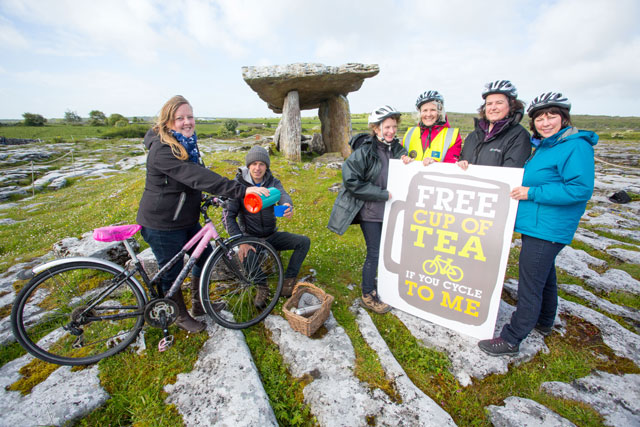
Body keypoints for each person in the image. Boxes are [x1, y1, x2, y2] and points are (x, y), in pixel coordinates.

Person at [478, 92, 598, 356]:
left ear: (563, 118)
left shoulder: (575, 146)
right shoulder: (548, 146)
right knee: (545, 277)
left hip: (549, 227)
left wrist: (531, 193)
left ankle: (511, 339)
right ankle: (544, 321)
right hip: (540, 225)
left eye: (551, 116)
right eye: (540, 118)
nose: (545, 122)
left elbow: (579, 189)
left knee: (530, 283)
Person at [136, 95, 268, 333]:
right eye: (180, 118)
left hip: (185, 219)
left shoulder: (185, 144)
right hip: (162, 223)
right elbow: (195, 176)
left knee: (206, 256)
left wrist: (212, 196)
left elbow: (191, 179)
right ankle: (179, 315)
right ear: (168, 122)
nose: (187, 122)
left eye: (190, 116)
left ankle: (199, 305)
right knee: (172, 272)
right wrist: (241, 189)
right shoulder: (163, 150)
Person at [328, 105, 410, 314]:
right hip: (371, 212)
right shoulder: (364, 152)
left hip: (391, 210)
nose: (391, 131)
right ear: (376, 128)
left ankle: (384, 285)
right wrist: (381, 194)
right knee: (374, 252)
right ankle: (367, 294)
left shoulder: (397, 149)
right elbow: (351, 182)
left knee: (387, 251)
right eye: (387, 127)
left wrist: (410, 160)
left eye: (393, 127)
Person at [223, 145, 311, 305]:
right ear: (248, 165)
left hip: (271, 235)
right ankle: (262, 286)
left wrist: (287, 206)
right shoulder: (238, 186)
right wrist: (240, 241)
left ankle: (288, 281)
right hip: (250, 238)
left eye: (261, 164)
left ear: (266, 166)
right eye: (254, 164)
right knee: (245, 257)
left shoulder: (272, 181)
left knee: (303, 242)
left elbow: (283, 194)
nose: (257, 168)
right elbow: (228, 217)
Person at [457, 80, 531, 170]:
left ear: (511, 105)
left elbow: (511, 173)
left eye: (499, 103)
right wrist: (460, 165)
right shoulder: (473, 136)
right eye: (489, 104)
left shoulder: (519, 136)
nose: (493, 108)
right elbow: (461, 162)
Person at [402, 90, 462, 165]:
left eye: (433, 110)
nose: (428, 114)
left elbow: (451, 164)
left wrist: (435, 164)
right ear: (420, 112)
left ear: (440, 111)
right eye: (425, 110)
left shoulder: (452, 135)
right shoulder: (409, 133)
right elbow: (400, 157)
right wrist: (404, 159)